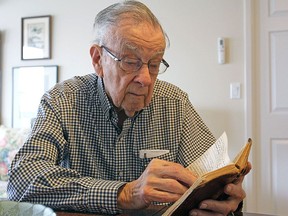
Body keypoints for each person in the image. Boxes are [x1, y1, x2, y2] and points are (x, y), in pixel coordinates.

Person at [7, 1, 251, 215]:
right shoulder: (61, 101)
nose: (145, 78)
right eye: (131, 62)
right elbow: (21, 180)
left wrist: (228, 197)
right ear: (97, 59)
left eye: (154, 64)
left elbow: (211, 176)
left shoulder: (175, 104)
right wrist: (123, 194)